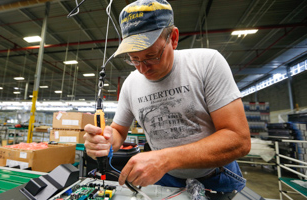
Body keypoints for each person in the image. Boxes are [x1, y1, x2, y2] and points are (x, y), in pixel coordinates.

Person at [84, 0, 251, 196]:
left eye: (151, 56)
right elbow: (119, 132)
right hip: (165, 178)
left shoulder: (206, 64)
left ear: (173, 38)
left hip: (215, 177)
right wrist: (107, 140)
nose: (142, 68)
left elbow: (239, 140)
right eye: (134, 59)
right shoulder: (131, 83)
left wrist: (164, 158)